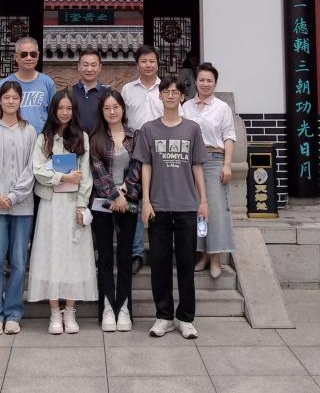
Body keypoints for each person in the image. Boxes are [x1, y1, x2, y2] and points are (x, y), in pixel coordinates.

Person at [134, 76, 207, 340]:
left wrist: (203, 200)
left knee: (186, 263)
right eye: (166, 91)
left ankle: (185, 318)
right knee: (160, 263)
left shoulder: (192, 129)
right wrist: (146, 201)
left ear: (182, 97)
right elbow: (146, 166)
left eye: (175, 92)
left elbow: (197, 166)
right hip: (158, 206)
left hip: (186, 205)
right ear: (160, 96)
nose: (170, 96)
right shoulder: (149, 129)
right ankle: (163, 316)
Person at [27, 92, 98, 334]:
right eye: (60, 108)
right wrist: (63, 177)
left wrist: (82, 204)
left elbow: (86, 175)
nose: (65, 112)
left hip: (72, 204)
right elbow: (38, 170)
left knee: (73, 256)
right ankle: (54, 312)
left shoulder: (82, 137)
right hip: (50, 204)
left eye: (69, 108)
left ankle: (70, 310)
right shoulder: (44, 138)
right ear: (53, 110)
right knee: (51, 254)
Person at [0, 80, 37, 336]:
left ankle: (13, 313)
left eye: (15, 98)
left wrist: (13, 195)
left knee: (20, 261)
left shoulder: (30, 131)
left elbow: (32, 168)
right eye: (6, 97)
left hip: (22, 206)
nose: (10, 101)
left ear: (21, 101)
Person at [89, 91, 141, 332]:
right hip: (103, 205)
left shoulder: (135, 136)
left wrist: (125, 192)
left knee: (125, 256)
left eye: (116, 107)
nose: (112, 112)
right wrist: (113, 195)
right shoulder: (96, 138)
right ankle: (108, 308)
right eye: (107, 108)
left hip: (128, 203)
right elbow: (97, 170)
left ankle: (124, 307)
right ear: (102, 112)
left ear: (123, 109)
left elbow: (138, 167)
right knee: (106, 257)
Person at [182, 61, 237, 279]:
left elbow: (229, 137)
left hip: (214, 160)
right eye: (201, 80)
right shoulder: (186, 107)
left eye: (209, 81)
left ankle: (215, 259)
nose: (205, 84)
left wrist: (227, 164)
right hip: (190, 163)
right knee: (198, 211)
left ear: (215, 83)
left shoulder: (222, 108)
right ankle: (203, 255)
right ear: (195, 82)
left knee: (214, 211)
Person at [120, 45, 163, 273]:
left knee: (161, 201)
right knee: (135, 202)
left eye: (152, 61)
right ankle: (137, 252)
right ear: (137, 64)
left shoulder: (166, 89)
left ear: (157, 63)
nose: (148, 65)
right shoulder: (127, 90)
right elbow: (121, 120)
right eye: (144, 61)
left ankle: (159, 251)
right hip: (134, 151)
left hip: (163, 149)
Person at [0, 36, 56, 136]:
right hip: (11, 139)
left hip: (41, 140)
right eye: (24, 54)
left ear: (38, 56)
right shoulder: (4, 85)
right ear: (16, 57)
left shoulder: (48, 83)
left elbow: (53, 115)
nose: (29, 58)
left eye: (33, 54)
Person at [54, 48, 120, 135]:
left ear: (100, 67)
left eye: (93, 65)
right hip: (74, 141)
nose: (89, 69)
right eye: (85, 65)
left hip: (101, 142)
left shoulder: (108, 94)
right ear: (79, 67)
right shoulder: (68, 93)